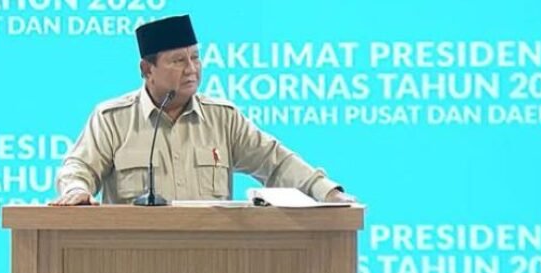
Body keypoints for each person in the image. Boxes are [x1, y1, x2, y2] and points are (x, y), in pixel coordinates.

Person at [51, 14, 355, 206]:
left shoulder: (223, 118)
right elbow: (79, 168)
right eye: (178, 61)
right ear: (147, 69)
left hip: (211, 261)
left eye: (195, 58)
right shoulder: (113, 119)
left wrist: (326, 192)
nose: (191, 69)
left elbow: (275, 162)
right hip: (133, 261)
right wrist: (76, 190)